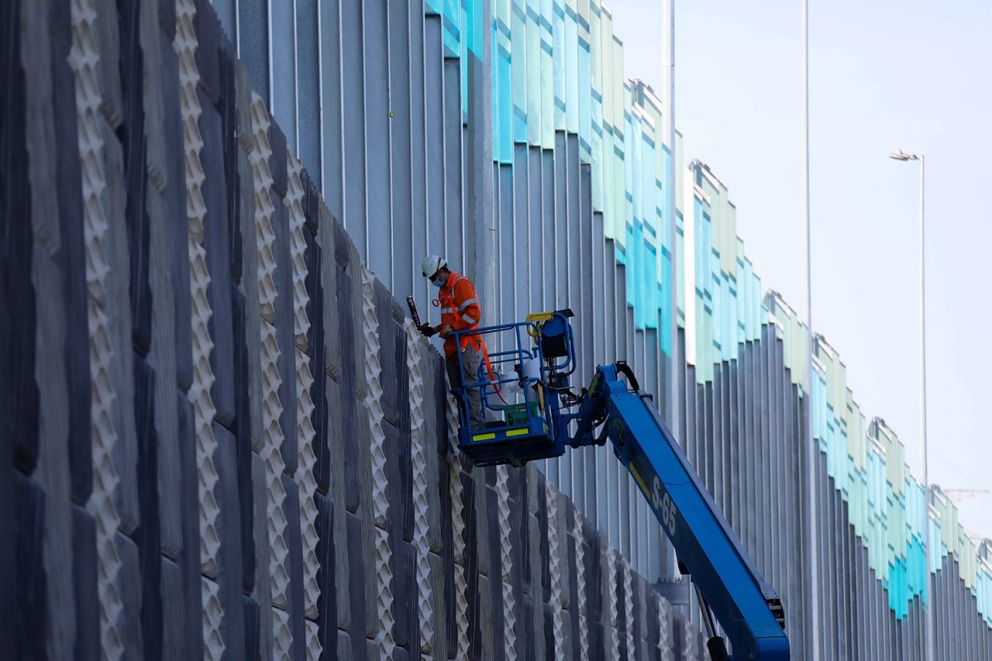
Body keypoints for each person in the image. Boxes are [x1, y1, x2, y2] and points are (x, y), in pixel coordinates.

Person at [417, 255, 487, 429]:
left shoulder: (460, 284)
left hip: (466, 344)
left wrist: (453, 328)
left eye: (434, 277)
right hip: (453, 347)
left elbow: (473, 314)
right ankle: (468, 425)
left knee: (470, 386)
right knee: (458, 390)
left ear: (441, 271)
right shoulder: (445, 290)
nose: (433, 281)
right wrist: (433, 330)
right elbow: (451, 319)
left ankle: (476, 427)